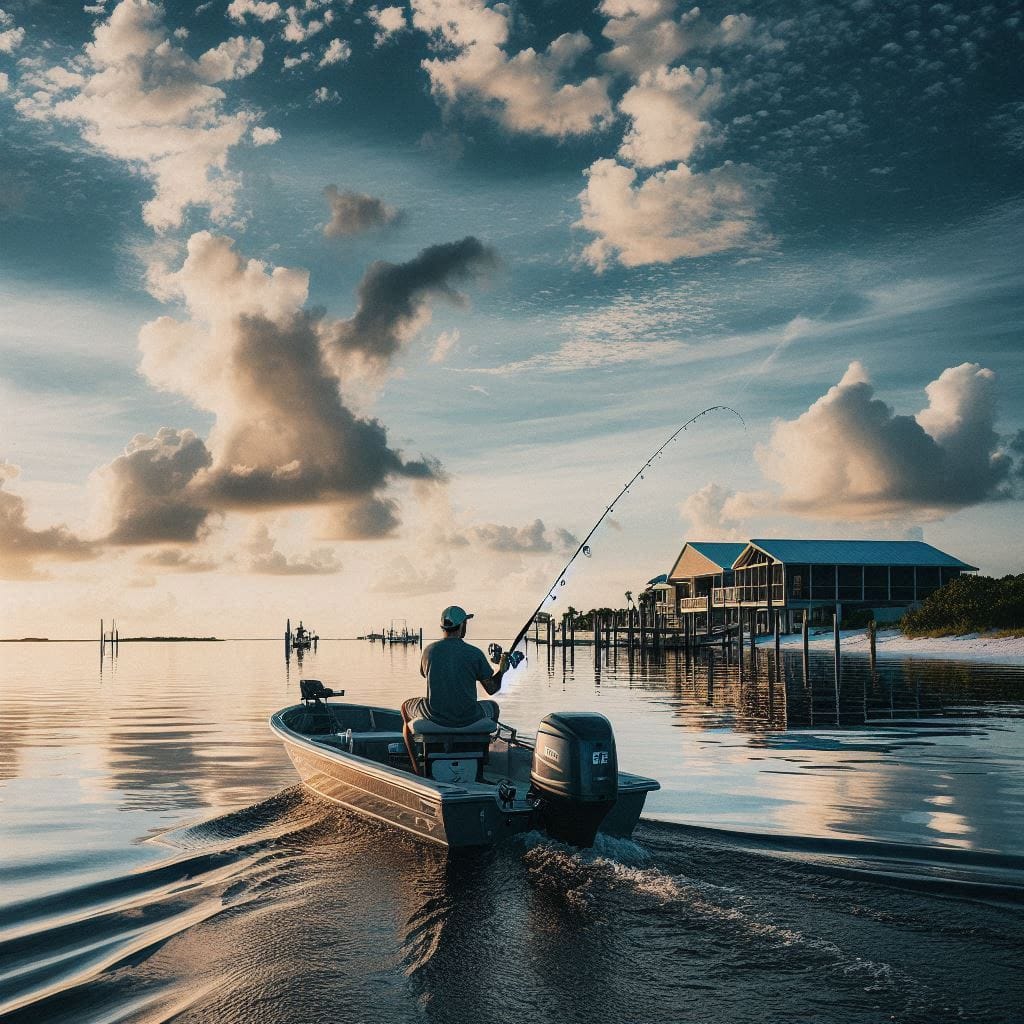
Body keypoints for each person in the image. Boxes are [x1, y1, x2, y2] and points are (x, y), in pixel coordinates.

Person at [401, 606, 509, 772]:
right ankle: (482, 764)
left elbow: (424, 674)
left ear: (443, 627)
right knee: (493, 707)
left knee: (404, 708)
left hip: (436, 716)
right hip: (469, 717)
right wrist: (502, 670)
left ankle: (417, 769)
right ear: (462, 625)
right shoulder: (474, 653)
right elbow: (492, 689)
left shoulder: (429, 651)